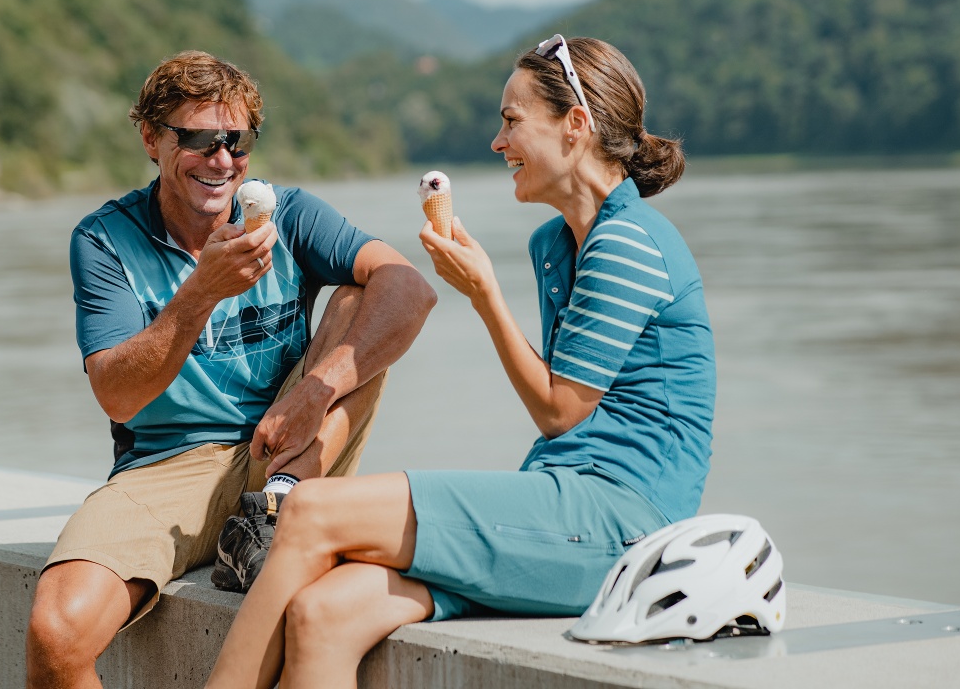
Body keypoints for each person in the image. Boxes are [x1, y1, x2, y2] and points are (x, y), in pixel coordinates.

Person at [204, 36, 715, 688]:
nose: (498, 143)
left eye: (511, 121)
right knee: (324, 613)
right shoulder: (560, 244)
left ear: (575, 125)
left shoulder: (628, 243)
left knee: (307, 512)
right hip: (562, 504)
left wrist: (484, 294)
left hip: (620, 525)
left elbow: (561, 410)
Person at [26, 51, 435, 689]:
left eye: (236, 141)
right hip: (166, 465)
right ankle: (259, 528)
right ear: (151, 139)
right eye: (198, 140)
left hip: (289, 451)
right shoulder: (104, 240)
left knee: (362, 296)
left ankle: (276, 512)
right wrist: (201, 291)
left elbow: (412, 290)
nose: (221, 161)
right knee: (56, 634)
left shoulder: (291, 215)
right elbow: (117, 396)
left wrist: (314, 394)